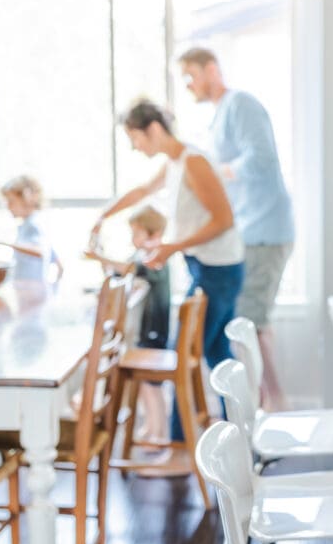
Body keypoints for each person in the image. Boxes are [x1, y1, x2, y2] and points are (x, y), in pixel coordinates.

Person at [91, 100, 244, 441]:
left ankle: (180, 442)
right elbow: (142, 191)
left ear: (154, 129)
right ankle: (239, 428)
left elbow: (224, 220)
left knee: (182, 356)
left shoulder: (194, 162)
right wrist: (104, 215)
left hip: (218, 271)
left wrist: (173, 247)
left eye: (135, 137)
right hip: (207, 267)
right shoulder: (175, 163)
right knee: (217, 353)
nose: (135, 146)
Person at [178, 47, 294, 411]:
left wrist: (216, 173)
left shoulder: (240, 104)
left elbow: (261, 158)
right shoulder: (220, 116)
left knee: (251, 322)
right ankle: (265, 405)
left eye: (191, 75)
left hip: (265, 230)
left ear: (212, 69)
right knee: (249, 321)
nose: (188, 85)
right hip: (251, 231)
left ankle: (274, 407)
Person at [85, 205, 170, 443]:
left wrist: (99, 257)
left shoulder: (157, 258)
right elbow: (120, 274)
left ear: (154, 234)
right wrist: (101, 257)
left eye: (137, 233)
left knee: (152, 387)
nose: (133, 239)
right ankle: (152, 429)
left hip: (153, 332)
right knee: (146, 386)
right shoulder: (140, 256)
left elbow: (131, 269)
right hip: (145, 333)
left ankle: (158, 433)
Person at [0, 175, 62, 282]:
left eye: (11, 201)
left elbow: (39, 251)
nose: (8, 206)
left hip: (31, 288)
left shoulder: (34, 224)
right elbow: (58, 262)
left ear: (27, 200)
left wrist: (2, 242)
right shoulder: (30, 223)